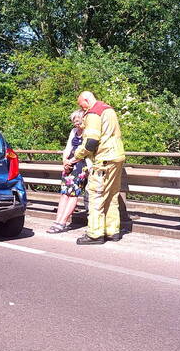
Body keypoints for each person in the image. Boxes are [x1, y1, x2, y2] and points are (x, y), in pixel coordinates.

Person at [68, 91, 126, 245]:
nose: (82, 109)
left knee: (96, 195)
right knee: (112, 195)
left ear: (87, 100)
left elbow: (91, 142)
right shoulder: (109, 109)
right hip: (117, 156)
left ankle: (95, 234)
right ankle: (112, 231)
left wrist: (76, 157)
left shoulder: (94, 113)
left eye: (82, 105)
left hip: (104, 159)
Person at [47, 110, 87, 233]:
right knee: (64, 193)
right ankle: (57, 220)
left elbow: (86, 151)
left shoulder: (88, 133)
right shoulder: (74, 131)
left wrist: (72, 161)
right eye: (74, 122)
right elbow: (68, 147)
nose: (76, 124)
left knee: (73, 194)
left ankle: (63, 222)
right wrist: (65, 161)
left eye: (78, 121)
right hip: (69, 164)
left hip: (81, 165)